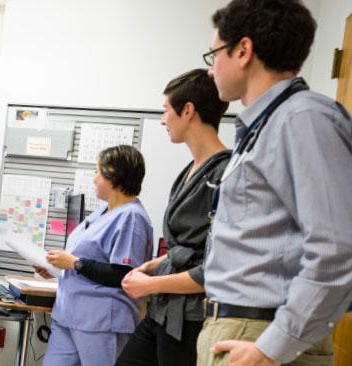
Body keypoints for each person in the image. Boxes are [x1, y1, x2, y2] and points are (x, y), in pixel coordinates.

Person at [198, 0, 352, 365]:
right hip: (242, 329)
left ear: (243, 51)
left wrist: (272, 347)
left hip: (260, 333)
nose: (210, 69)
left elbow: (336, 249)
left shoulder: (303, 119)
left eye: (214, 53)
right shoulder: (269, 124)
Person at [116, 69, 230, 366]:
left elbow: (211, 269)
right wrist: (151, 266)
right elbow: (185, 249)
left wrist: (150, 285)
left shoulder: (224, 175)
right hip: (163, 310)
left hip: (189, 318)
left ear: (188, 110)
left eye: (166, 109)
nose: (163, 119)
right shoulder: (191, 171)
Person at [35, 145, 153, 366]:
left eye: (97, 172)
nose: (94, 178)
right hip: (69, 316)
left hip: (101, 323)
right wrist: (56, 269)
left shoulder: (132, 218)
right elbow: (86, 260)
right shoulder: (102, 211)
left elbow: (123, 275)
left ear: (113, 176)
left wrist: (74, 264)